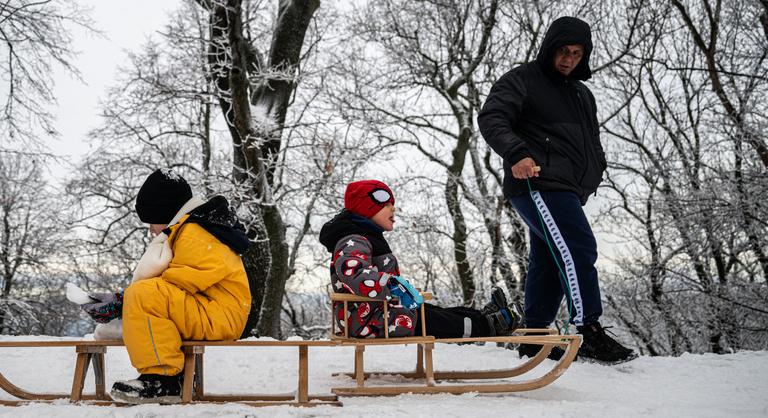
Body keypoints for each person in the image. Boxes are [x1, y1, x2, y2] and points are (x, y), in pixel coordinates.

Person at [477, 16, 636, 364]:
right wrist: (517, 153)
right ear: (550, 48)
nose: (569, 59)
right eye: (563, 51)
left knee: (549, 259)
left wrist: (594, 172)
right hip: (538, 181)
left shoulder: (581, 94)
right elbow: (492, 118)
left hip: (568, 188)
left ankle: (534, 338)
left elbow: (589, 143)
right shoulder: (523, 79)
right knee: (578, 246)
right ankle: (587, 330)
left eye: (577, 53)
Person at [80, 169, 251, 404]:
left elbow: (181, 282)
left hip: (219, 315)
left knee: (144, 295)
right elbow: (173, 287)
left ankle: (164, 379)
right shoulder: (190, 229)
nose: (151, 229)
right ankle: (166, 375)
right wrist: (123, 302)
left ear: (166, 212)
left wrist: (123, 301)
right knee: (143, 295)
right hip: (211, 310)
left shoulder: (196, 233)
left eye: (153, 221)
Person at [319, 179, 521, 339]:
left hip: (380, 314)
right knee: (434, 320)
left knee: (434, 312)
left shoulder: (367, 238)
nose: (393, 208)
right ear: (366, 208)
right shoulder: (353, 240)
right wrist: (392, 284)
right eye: (386, 204)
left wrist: (395, 287)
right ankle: (487, 325)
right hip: (367, 322)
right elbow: (352, 272)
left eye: (393, 204)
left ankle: (483, 316)